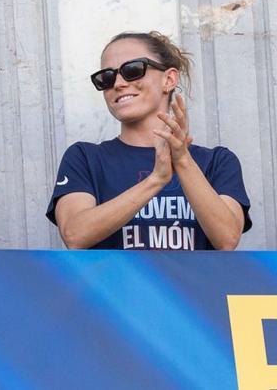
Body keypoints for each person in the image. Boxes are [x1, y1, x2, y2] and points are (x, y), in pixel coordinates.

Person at [48, 31, 250, 250]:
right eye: (106, 77)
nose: (118, 83)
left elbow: (227, 239)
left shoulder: (217, 161)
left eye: (132, 70)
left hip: (192, 286)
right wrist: (156, 180)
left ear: (169, 79)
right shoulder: (85, 158)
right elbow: (75, 235)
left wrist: (182, 160)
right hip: (114, 286)